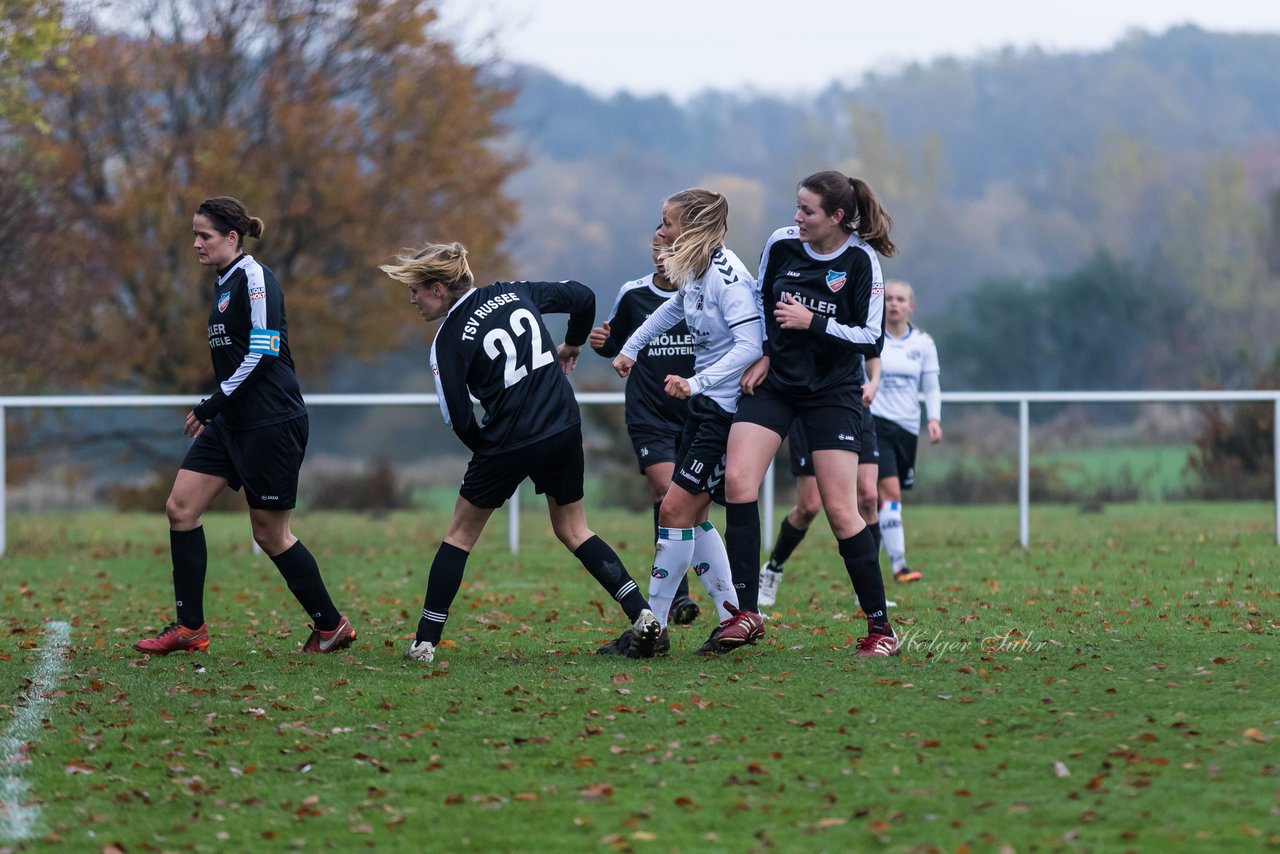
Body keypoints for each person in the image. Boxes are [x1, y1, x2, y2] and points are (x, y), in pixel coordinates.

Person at [379, 242, 661, 664]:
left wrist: (490, 452)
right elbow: (583, 296)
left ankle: (424, 643)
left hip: (509, 440)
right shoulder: (515, 292)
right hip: (563, 424)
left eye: (415, 291)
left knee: (459, 535)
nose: (412, 300)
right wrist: (573, 344)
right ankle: (642, 614)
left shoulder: (448, 341)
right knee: (574, 530)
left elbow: (458, 417)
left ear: (437, 288)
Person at [135, 196, 356, 656]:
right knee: (180, 508)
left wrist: (211, 404)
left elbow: (263, 351)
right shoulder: (221, 284)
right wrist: (220, 410)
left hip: (271, 422)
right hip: (233, 422)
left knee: (270, 534)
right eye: (194, 234)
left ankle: (331, 626)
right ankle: (190, 627)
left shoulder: (254, 278)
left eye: (205, 235)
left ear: (231, 238)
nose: (196, 243)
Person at [722, 169, 902, 657]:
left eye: (808, 210)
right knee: (738, 482)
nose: (796, 217)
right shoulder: (781, 244)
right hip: (776, 382)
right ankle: (745, 612)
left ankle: (881, 630)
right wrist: (762, 351)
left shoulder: (862, 261)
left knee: (841, 510)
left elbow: (871, 338)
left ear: (836, 217)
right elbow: (760, 305)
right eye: (797, 207)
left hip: (832, 392)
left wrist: (813, 321)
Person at [606, 188, 763, 655]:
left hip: (723, 410)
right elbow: (671, 309)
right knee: (692, 517)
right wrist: (631, 348)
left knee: (674, 512)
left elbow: (750, 345)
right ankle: (734, 618)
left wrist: (697, 383)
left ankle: (648, 630)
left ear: (692, 227)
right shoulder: (696, 269)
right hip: (707, 405)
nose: (660, 232)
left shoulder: (727, 276)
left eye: (667, 223)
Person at [589, 228, 701, 626]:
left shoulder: (702, 291)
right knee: (667, 491)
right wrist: (600, 342)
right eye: (656, 248)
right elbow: (615, 343)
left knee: (692, 504)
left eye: (669, 248)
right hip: (648, 413)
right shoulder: (633, 294)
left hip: (695, 412)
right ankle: (677, 595)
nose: (661, 255)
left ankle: (716, 596)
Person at [757, 356, 882, 608]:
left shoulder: (860, 316)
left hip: (853, 405)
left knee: (868, 496)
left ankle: (867, 587)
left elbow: (871, 348)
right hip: (810, 404)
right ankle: (773, 569)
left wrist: (874, 382)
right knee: (809, 506)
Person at [872, 279, 942, 583]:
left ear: (911, 306)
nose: (894, 304)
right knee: (891, 494)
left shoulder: (923, 344)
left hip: (907, 429)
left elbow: (931, 385)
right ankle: (900, 567)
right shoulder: (872, 337)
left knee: (877, 504)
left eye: (901, 299)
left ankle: (865, 566)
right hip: (875, 423)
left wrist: (934, 419)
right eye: (889, 299)